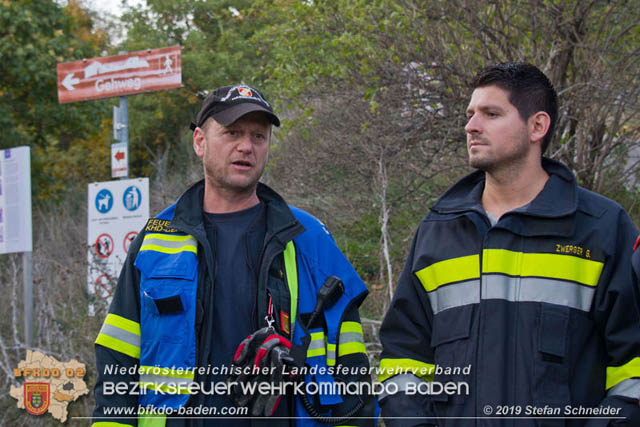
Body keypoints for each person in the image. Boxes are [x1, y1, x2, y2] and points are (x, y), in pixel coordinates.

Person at [91, 84, 375, 427]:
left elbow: (350, 360)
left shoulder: (309, 238)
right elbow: (117, 357)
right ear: (199, 141)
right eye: (232, 133)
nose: (246, 146)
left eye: (259, 135)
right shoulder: (156, 241)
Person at [378, 63, 640, 427]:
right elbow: (403, 360)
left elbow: (633, 368)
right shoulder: (437, 232)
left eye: (491, 113)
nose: (471, 126)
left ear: (537, 126)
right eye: (470, 114)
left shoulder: (601, 229)